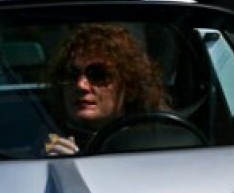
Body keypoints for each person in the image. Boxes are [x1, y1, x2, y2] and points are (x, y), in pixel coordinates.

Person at [43, 23, 169, 155]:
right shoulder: (38, 144)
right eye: (70, 74)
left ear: (130, 87)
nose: (81, 85)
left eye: (98, 74)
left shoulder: (157, 146)